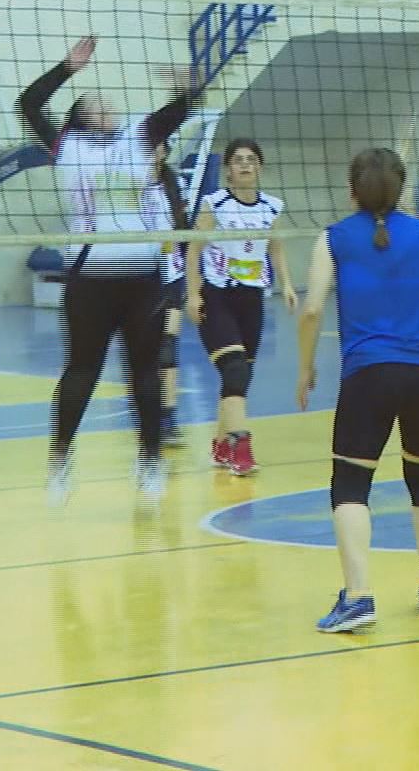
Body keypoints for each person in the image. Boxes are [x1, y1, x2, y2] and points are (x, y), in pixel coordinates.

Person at [297, 148, 419, 632]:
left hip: (370, 374)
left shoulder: (334, 238)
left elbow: (311, 310)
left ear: (351, 191)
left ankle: (358, 597)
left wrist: (306, 367)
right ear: (402, 189)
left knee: (351, 485)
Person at [17, 35, 192, 505]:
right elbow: (28, 103)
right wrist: (67, 68)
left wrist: (186, 89)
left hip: (142, 279)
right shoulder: (66, 146)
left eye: (107, 101)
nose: (106, 104)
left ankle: (150, 461)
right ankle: (60, 458)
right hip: (90, 280)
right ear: (78, 117)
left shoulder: (139, 136)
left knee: (145, 373)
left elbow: (179, 112)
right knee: (82, 370)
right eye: (95, 102)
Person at [188, 139, 299, 475]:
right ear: (228, 170)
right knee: (235, 369)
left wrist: (286, 283)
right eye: (238, 160)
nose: (246, 164)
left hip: (252, 301)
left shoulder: (270, 206)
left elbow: (275, 246)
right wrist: (193, 294)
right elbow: (193, 250)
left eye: (251, 159)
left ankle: (221, 445)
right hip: (217, 297)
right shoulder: (214, 204)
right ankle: (241, 446)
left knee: (239, 376)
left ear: (260, 166)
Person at [139, 143, 188, 448]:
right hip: (139, 275)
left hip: (172, 274)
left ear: (164, 151)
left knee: (167, 347)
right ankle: (150, 417)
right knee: (145, 351)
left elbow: (184, 230)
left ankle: (168, 419)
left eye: (157, 145)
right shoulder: (129, 184)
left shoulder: (174, 183)